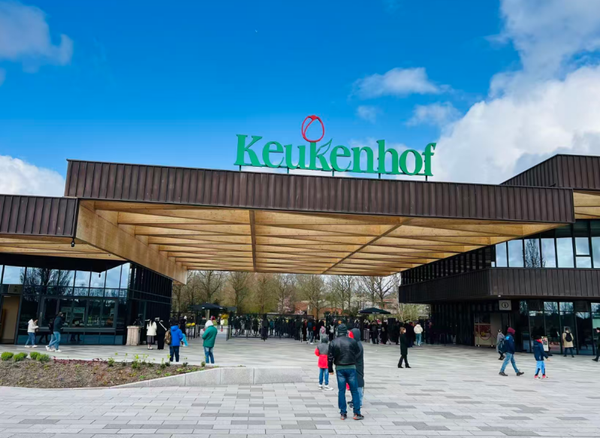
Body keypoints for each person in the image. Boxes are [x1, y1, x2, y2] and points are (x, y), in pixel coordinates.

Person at [328, 324, 363, 421]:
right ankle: (357, 412)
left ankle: (343, 413)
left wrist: (330, 369)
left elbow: (330, 357)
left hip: (339, 367)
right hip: (351, 367)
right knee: (354, 390)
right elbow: (357, 352)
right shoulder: (352, 341)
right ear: (346, 331)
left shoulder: (333, 342)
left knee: (341, 391)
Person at [349, 328, 365, 409]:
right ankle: (354, 400)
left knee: (358, 384)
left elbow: (354, 356)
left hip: (357, 367)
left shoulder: (358, 345)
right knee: (354, 384)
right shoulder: (356, 343)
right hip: (354, 366)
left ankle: (359, 402)